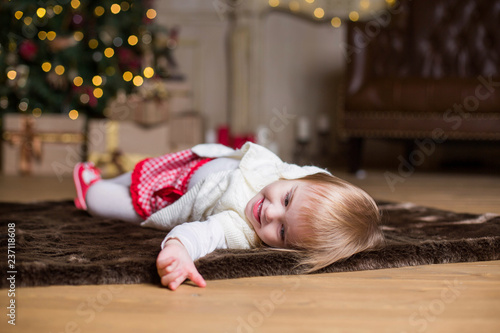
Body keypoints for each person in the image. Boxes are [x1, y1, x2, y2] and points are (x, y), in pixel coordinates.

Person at [73, 142, 384, 290]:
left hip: (166, 198)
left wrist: (179, 250)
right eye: (287, 199)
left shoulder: (241, 228)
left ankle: (91, 190)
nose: (270, 213)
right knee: (139, 171)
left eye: (283, 232)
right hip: (190, 165)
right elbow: (318, 178)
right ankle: (108, 178)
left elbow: (204, 234)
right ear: (299, 179)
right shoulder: (286, 173)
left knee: (102, 201)